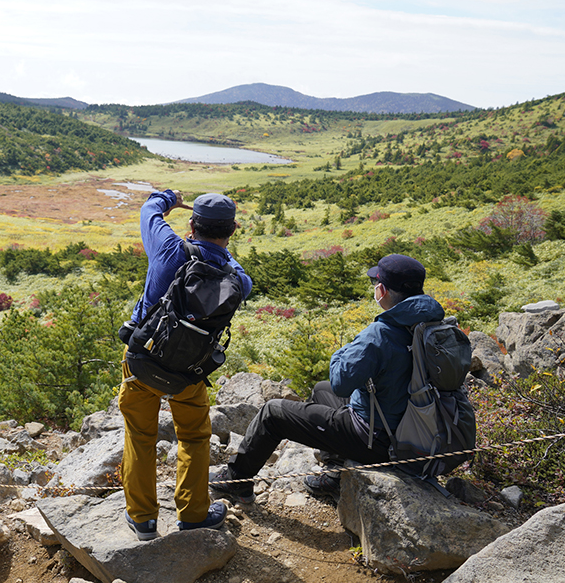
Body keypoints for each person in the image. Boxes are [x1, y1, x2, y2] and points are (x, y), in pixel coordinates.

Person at [211, 253, 446, 503]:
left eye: (376, 284)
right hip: (417, 431)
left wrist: (342, 352)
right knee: (322, 391)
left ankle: (237, 480)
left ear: (383, 290)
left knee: (272, 413)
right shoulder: (430, 324)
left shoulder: (381, 334)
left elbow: (341, 381)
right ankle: (335, 474)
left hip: (377, 440)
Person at [119, 189, 253, 540]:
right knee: (194, 436)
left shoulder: (169, 249)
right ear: (233, 230)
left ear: (191, 224)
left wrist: (170, 198)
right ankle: (193, 514)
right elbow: (227, 261)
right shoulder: (239, 278)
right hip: (190, 369)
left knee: (140, 433)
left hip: (143, 356)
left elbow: (150, 210)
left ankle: (143, 519)